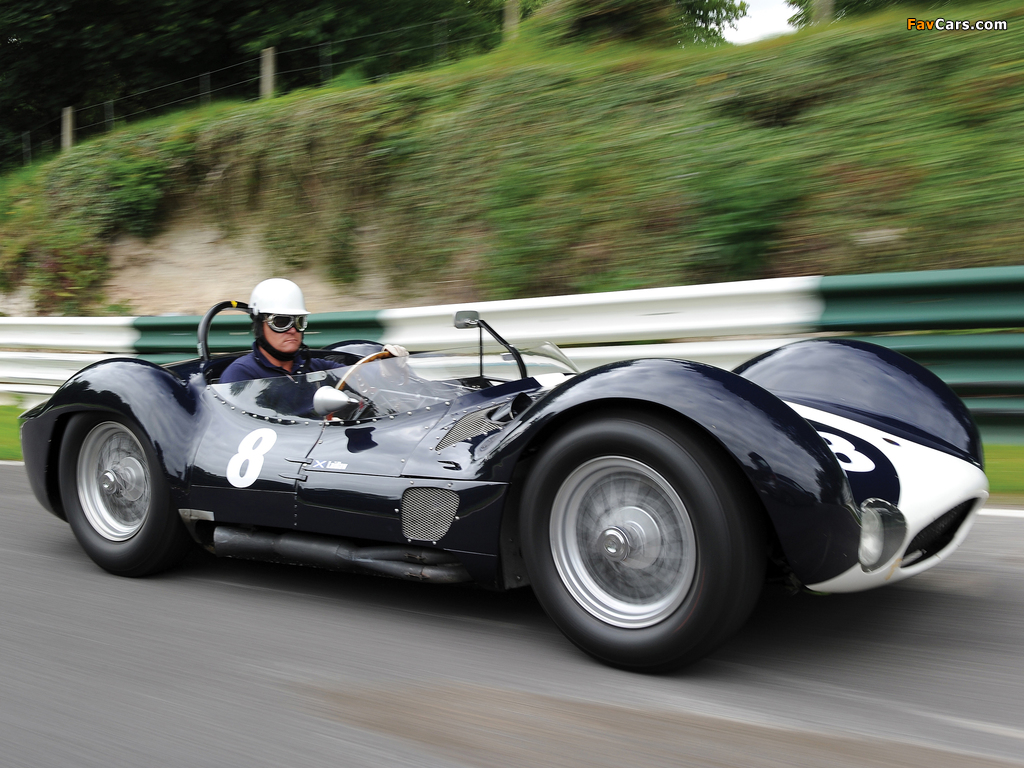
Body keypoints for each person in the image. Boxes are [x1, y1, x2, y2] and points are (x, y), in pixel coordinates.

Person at [219, 278, 408, 385]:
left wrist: (387, 370)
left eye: (299, 322)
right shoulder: (240, 374)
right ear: (260, 325)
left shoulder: (313, 366)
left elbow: (357, 378)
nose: (292, 330)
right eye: (282, 322)